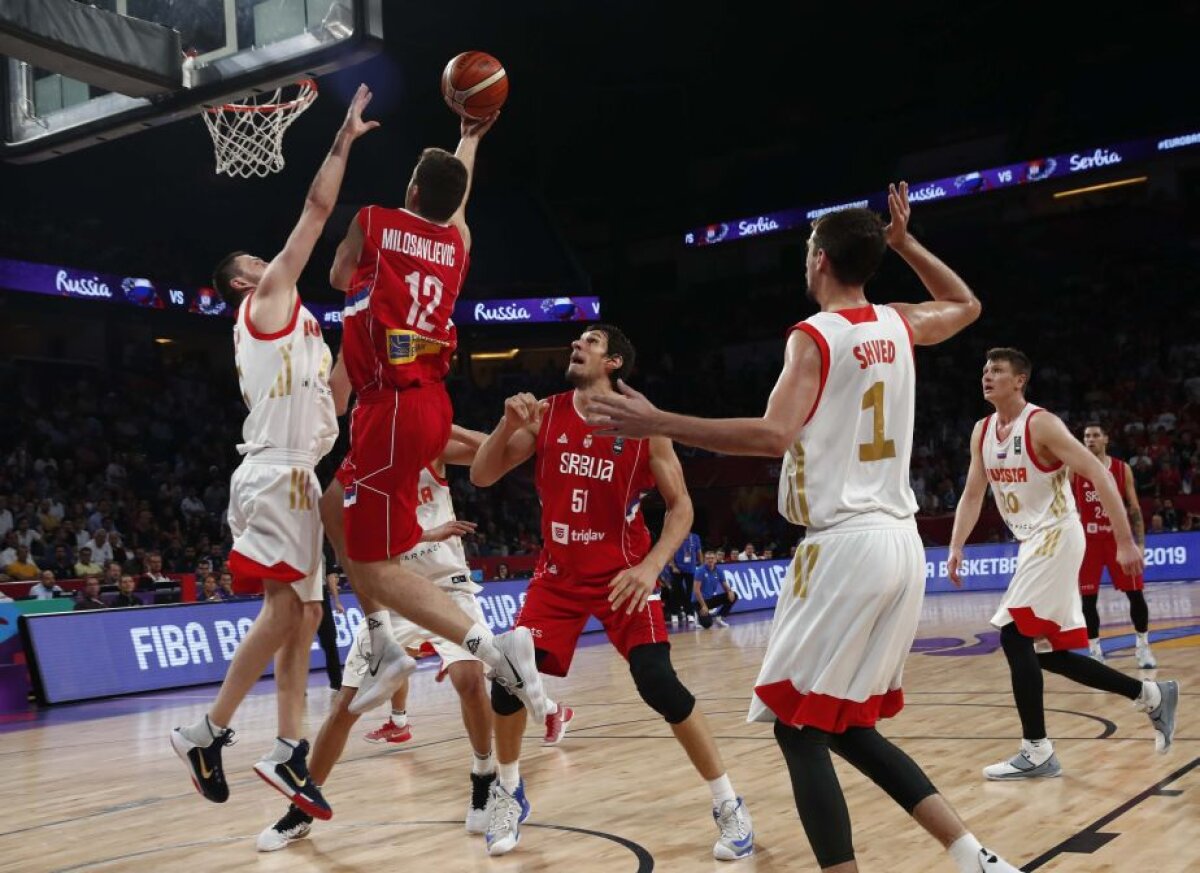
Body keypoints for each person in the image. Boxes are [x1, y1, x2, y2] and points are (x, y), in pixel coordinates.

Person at [585, 187, 1022, 873]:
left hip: (844, 546)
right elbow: (966, 305)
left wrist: (658, 421)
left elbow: (772, 434)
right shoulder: (898, 322)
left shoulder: (814, 335)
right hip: (900, 541)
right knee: (843, 725)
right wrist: (907, 244)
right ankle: (974, 856)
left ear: (818, 258)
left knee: (797, 728)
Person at [170, 85, 381, 823]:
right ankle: (208, 730)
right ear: (243, 282)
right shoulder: (263, 304)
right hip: (272, 472)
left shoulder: (303, 330)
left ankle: (290, 747)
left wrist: (366, 330)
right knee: (288, 607)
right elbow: (317, 212)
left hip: (300, 472)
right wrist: (342, 140)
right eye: (261, 259)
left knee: (306, 612)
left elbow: (338, 403)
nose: (273, 260)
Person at [471, 324, 753, 861]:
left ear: (614, 362)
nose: (577, 345)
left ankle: (728, 803)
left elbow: (682, 507)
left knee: (659, 683)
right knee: (507, 680)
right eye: (577, 341)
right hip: (558, 575)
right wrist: (506, 425)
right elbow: (483, 476)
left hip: (623, 575)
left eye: (591, 341)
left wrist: (651, 567)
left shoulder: (645, 425)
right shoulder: (546, 414)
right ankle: (508, 792)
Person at [324, 109, 544, 720]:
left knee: (370, 565)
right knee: (338, 511)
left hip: (389, 407)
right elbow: (458, 209)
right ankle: (384, 643)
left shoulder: (373, 220)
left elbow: (338, 275)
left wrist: (365, 273)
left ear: (412, 190)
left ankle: (488, 650)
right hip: (427, 402)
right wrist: (469, 138)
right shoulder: (456, 244)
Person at [256, 427, 512, 852]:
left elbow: (496, 452)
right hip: (393, 592)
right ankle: (301, 809)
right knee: (346, 706)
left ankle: (484, 776)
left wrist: (451, 426)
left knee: (468, 680)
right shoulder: (358, 474)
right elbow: (353, 544)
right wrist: (421, 539)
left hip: (447, 586)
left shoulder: (431, 447)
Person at [948, 348, 1178, 780]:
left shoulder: (1042, 424)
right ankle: (1150, 694)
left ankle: (1036, 750)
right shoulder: (982, 431)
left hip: (1056, 533)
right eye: (984, 370)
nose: (987, 376)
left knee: (1014, 636)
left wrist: (1125, 540)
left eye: (997, 370)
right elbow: (973, 493)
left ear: (1020, 380)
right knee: (1048, 653)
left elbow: (1099, 473)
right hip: (1032, 541)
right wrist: (957, 545)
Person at [1071, 422, 1155, 667]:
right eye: (1086, 436)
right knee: (1088, 600)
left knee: (1135, 593)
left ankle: (1143, 647)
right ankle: (1095, 650)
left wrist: (1140, 544)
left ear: (1106, 439)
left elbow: (1134, 508)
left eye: (1095, 435)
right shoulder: (1074, 469)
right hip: (1088, 542)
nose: (1090, 439)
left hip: (1118, 540)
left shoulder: (1121, 469)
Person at [315, 570, 344, 691]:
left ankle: (337, 682)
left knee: (330, 640)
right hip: (299, 593)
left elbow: (330, 575)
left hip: (320, 594)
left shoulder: (325, 555)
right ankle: (298, 687)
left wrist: (336, 601)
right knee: (298, 645)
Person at [693, 551, 738, 628]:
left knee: (734, 595)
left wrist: (729, 591)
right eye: (708, 558)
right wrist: (704, 606)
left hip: (710, 599)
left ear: (715, 560)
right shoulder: (700, 571)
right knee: (707, 624)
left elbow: (725, 585)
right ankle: (697, 613)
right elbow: (696, 591)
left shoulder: (718, 571)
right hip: (699, 602)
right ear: (704, 560)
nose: (710, 560)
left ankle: (719, 617)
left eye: (712, 558)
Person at [671, 529, 703, 626]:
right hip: (678, 568)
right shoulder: (675, 536)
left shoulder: (695, 537)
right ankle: (674, 613)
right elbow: (670, 553)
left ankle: (689, 613)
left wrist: (701, 565)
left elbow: (699, 552)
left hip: (691, 568)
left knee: (689, 592)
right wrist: (673, 566)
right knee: (676, 591)